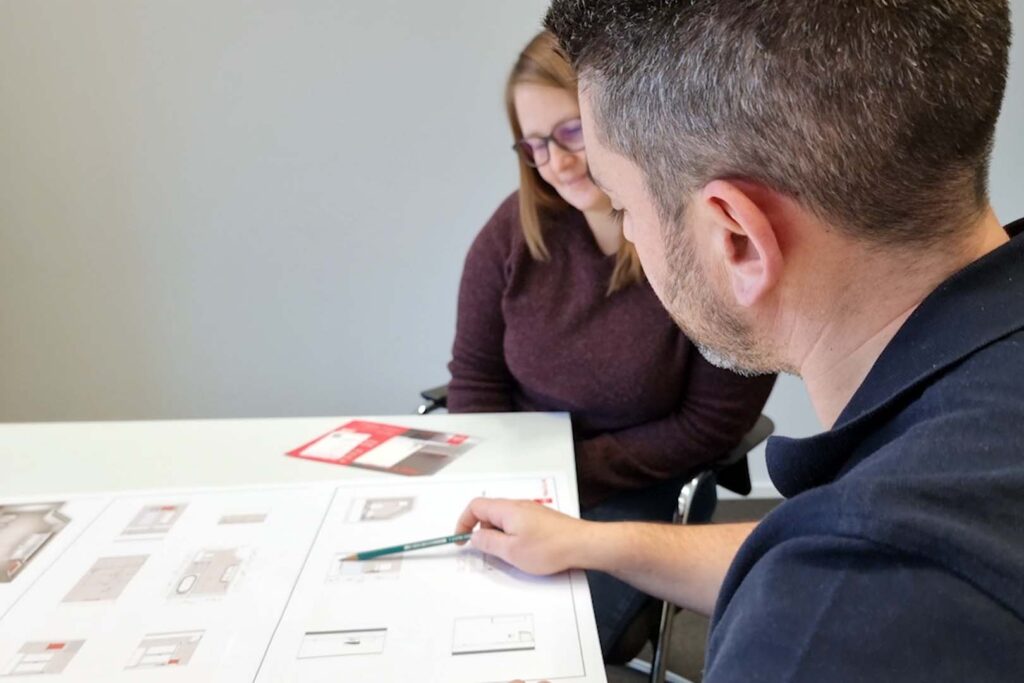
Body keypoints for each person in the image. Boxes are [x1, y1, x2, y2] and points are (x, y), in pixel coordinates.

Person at [457, 1, 1024, 680]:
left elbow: (842, 566)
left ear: (737, 240)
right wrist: (588, 541)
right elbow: (806, 541)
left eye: (625, 206)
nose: (625, 232)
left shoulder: (821, 628)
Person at [446, 30, 775, 660]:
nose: (557, 163)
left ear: (620, 117)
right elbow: (474, 376)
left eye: (571, 132)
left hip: (644, 489)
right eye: (535, 144)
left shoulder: (700, 245)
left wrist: (570, 475)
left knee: (538, 644)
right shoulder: (513, 231)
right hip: (524, 477)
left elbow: (707, 426)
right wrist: (515, 477)